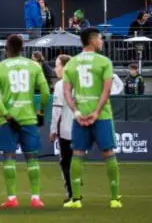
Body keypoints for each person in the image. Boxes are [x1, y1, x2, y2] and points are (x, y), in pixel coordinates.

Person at [62, 27, 122, 209]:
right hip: (101, 116)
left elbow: (66, 92)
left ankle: (76, 199)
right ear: (93, 40)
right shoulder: (104, 62)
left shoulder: (71, 63)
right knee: (109, 154)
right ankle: (114, 199)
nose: (102, 41)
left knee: (77, 154)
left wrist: (77, 112)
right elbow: (107, 90)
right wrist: (96, 112)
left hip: (80, 117)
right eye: (100, 39)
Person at [0, 34, 50, 209]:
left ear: (7, 49)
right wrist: (40, 112)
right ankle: (36, 198)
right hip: (29, 117)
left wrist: (6, 114)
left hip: (9, 120)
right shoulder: (33, 66)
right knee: (32, 157)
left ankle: (12, 198)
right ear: (23, 48)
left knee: (9, 157)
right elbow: (45, 92)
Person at [49, 54, 73, 203]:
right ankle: (75, 190)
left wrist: (53, 130)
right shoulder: (78, 83)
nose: (55, 69)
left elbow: (57, 110)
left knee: (66, 162)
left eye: (57, 65)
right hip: (80, 128)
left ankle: (71, 193)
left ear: (64, 67)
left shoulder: (60, 85)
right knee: (75, 161)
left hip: (66, 129)